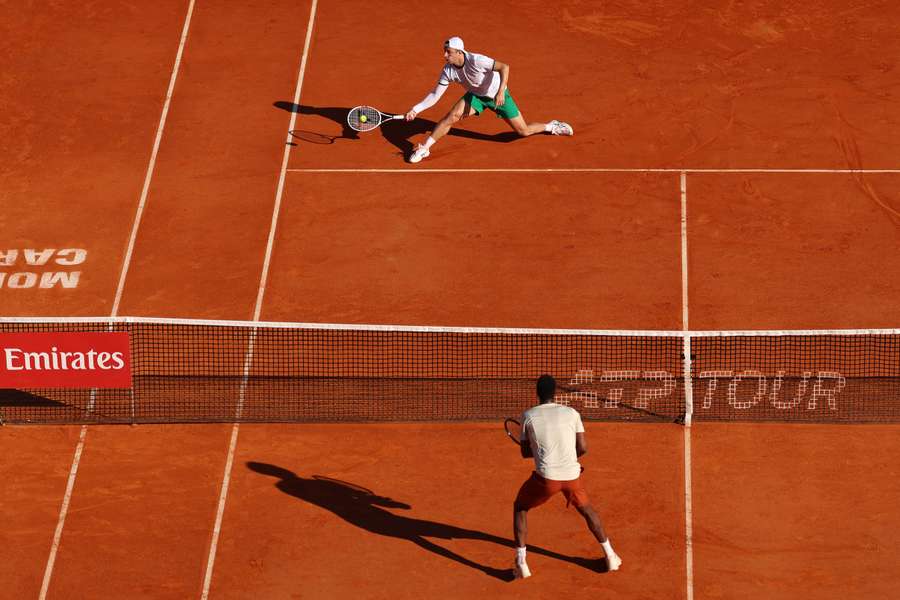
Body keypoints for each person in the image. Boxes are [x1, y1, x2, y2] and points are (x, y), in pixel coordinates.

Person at [512, 374, 622, 579]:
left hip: (546, 479)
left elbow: (526, 453)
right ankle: (611, 555)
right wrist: (569, 459)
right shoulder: (572, 413)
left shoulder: (528, 415)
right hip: (572, 476)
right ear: (555, 393)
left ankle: (521, 563)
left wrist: (535, 449)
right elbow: (582, 448)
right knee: (588, 511)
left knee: (520, 507)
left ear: (537, 394)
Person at [404, 37, 573, 163]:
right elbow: (435, 95)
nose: (444, 55)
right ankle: (425, 148)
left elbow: (504, 67)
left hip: (498, 96)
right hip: (476, 96)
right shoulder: (448, 71)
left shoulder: (477, 60)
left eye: (448, 52)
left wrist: (500, 92)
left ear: (459, 52)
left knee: (523, 131)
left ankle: (551, 126)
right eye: (444, 51)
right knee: (451, 116)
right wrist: (416, 109)